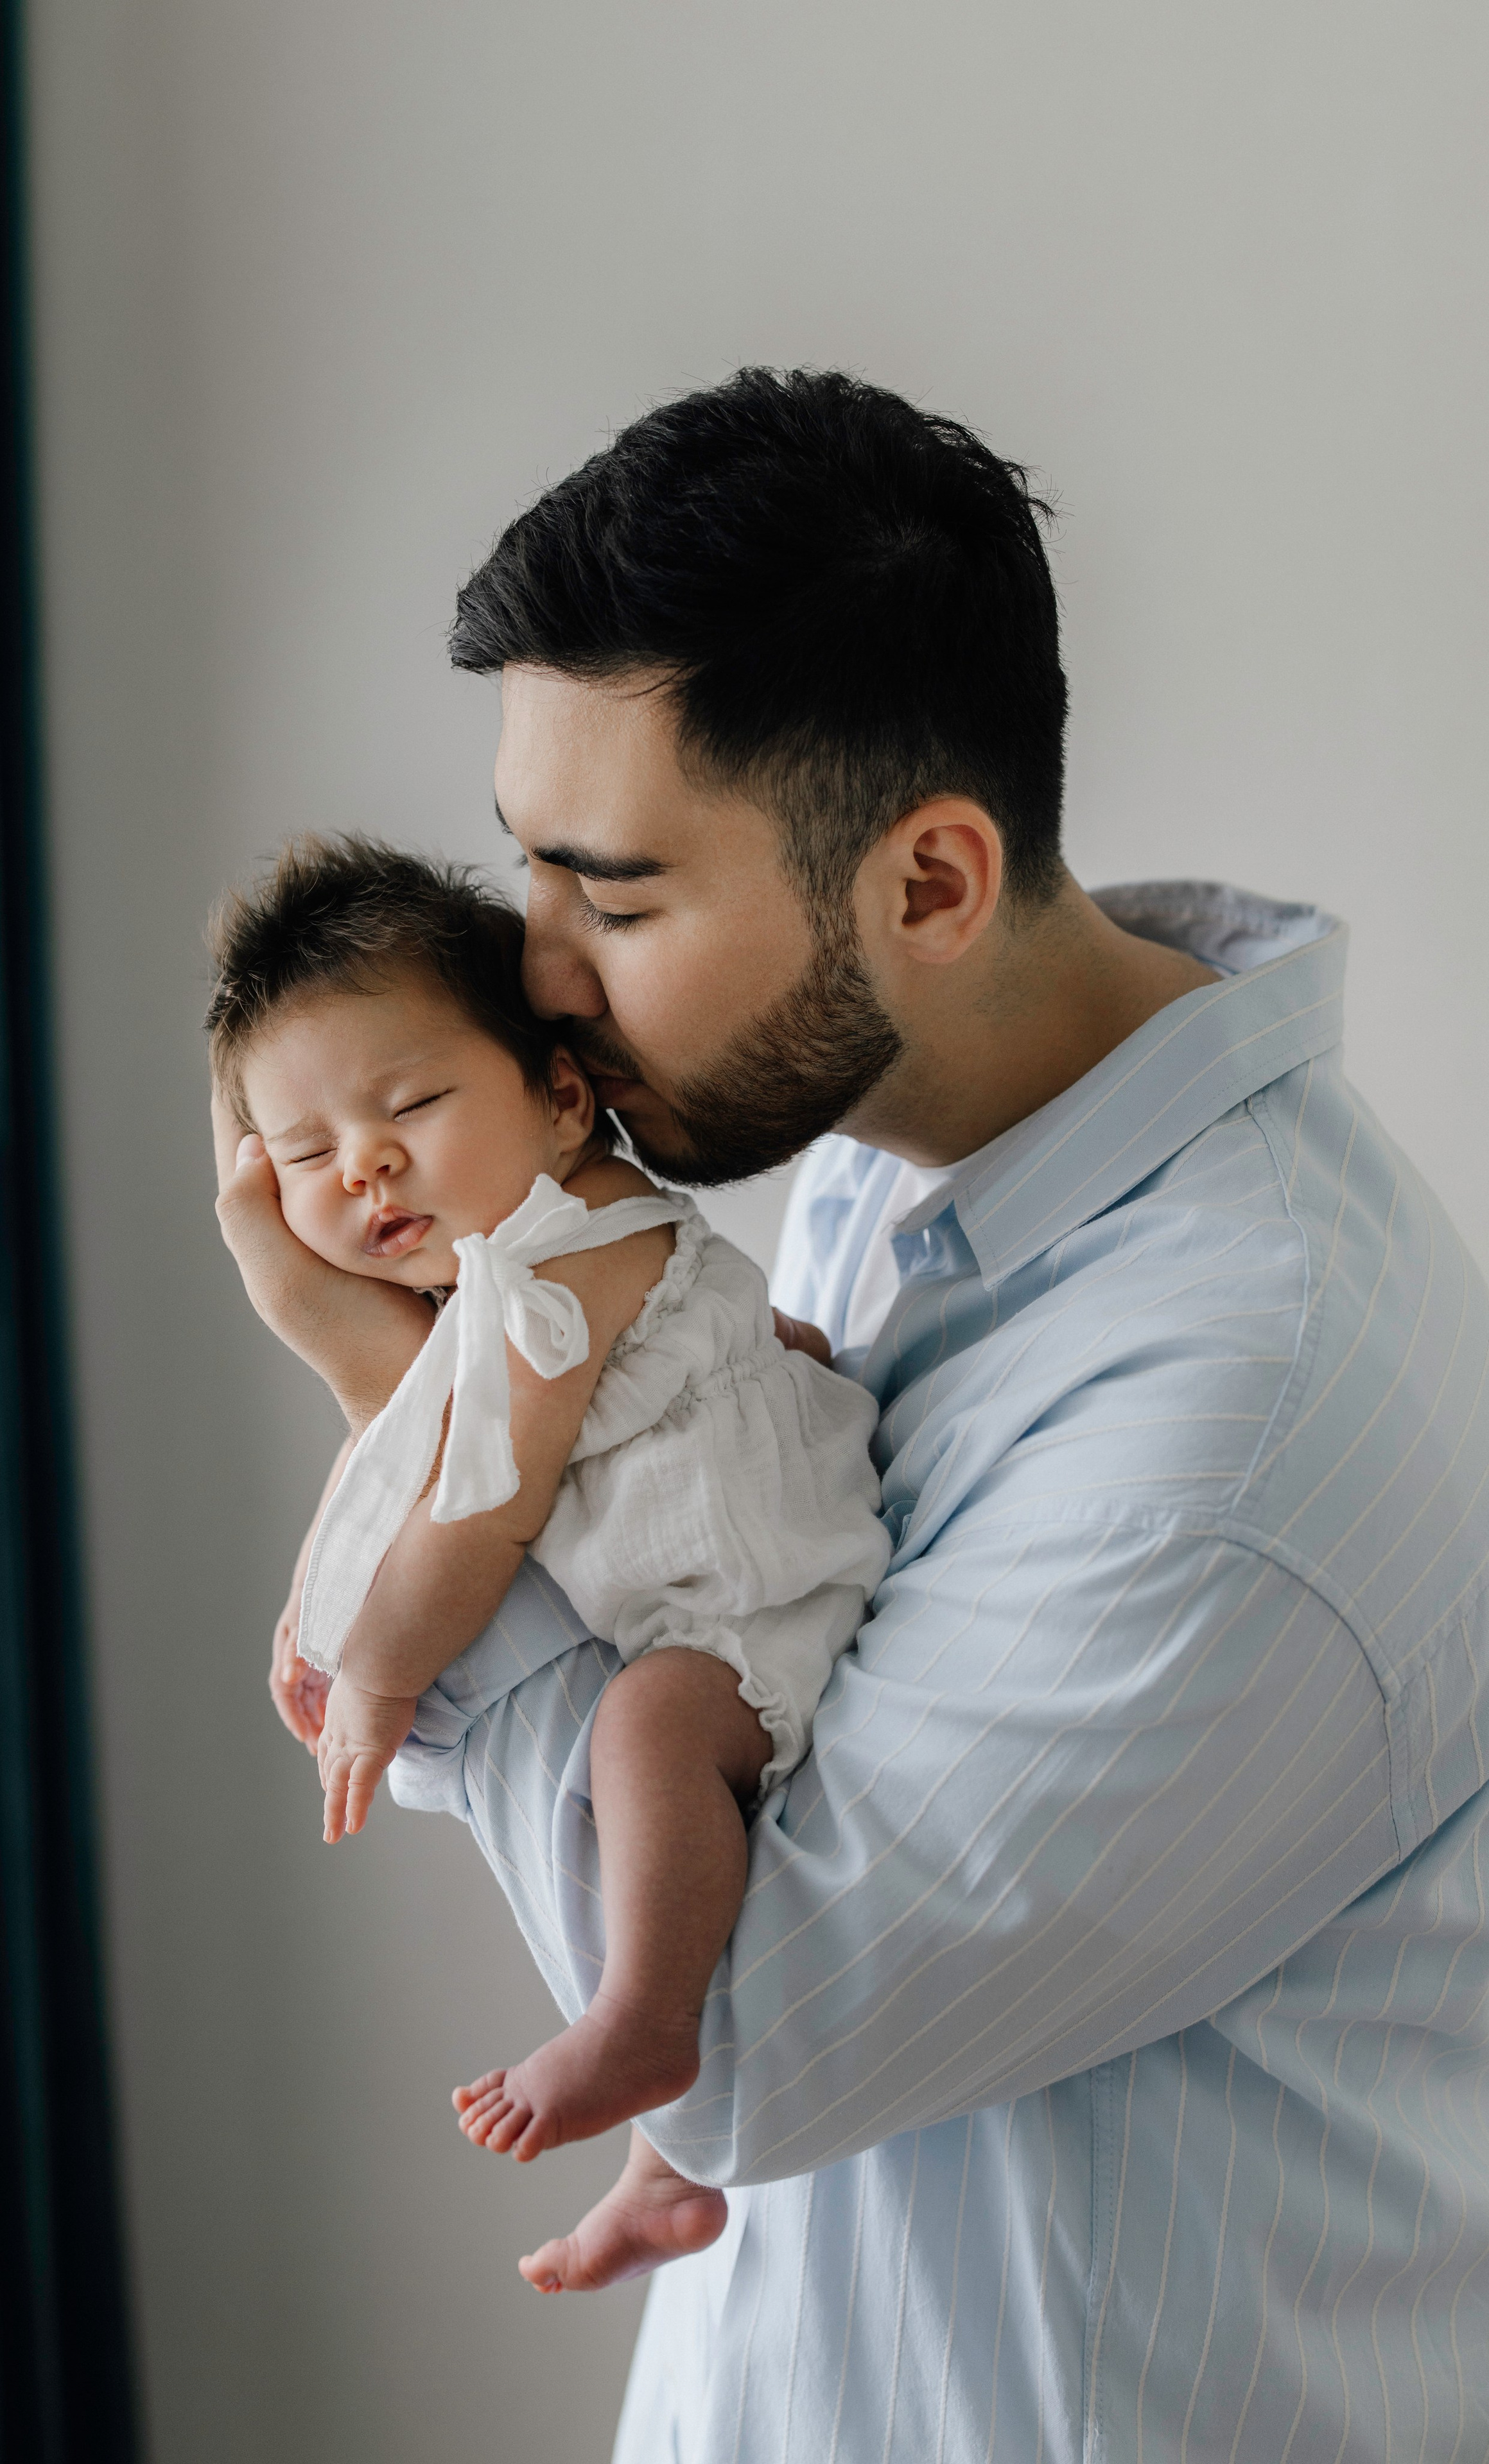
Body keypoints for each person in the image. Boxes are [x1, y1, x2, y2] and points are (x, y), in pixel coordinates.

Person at [214, 369, 1489, 2463]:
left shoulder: (1237, 1423)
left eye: (617, 897)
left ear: (931, 883)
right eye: (529, 869)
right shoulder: (885, 1159)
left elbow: (733, 2039)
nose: (536, 974)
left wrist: (396, 1389)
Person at [205, 835, 888, 2293]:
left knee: (642, 1734)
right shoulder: (497, 1279)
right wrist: (318, 1586)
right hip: (690, 1599)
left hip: (756, 1604)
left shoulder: (562, 1260)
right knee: (626, 1789)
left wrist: (377, 1672)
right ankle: (667, 2165)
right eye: (309, 1156)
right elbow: (402, 1448)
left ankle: (642, 2024)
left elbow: (478, 1508)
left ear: (562, 1098)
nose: (365, 1164)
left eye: (411, 1105)